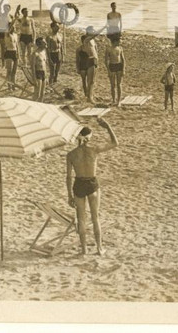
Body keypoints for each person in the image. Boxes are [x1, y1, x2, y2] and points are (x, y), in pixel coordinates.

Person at [66, 119, 118, 255]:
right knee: (95, 217)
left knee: (81, 219)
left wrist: (69, 196)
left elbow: (68, 177)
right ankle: (100, 248)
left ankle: (84, 250)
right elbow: (115, 143)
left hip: (78, 185)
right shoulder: (94, 150)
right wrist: (107, 126)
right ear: (89, 138)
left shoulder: (71, 154)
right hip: (92, 183)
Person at [78, 27, 104, 103]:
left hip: (94, 60)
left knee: (92, 80)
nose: (94, 32)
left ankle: (90, 95)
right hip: (90, 59)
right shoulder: (86, 40)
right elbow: (95, 35)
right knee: (90, 80)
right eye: (92, 31)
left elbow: (96, 51)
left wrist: (98, 61)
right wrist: (104, 27)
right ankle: (89, 97)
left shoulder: (92, 41)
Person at [106, 36, 125, 106]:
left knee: (119, 84)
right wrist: (108, 70)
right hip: (112, 66)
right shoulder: (108, 49)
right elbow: (106, 60)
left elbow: (123, 59)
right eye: (119, 41)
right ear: (115, 41)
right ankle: (114, 100)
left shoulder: (120, 48)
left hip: (119, 66)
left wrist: (123, 69)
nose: (120, 42)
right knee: (112, 85)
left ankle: (118, 101)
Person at [3, 24, 20, 91]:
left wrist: (18, 53)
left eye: (14, 27)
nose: (13, 28)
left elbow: (17, 45)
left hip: (15, 52)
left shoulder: (15, 35)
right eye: (12, 27)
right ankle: (9, 86)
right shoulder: (7, 34)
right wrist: (14, 19)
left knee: (14, 72)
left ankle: (13, 85)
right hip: (9, 52)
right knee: (9, 71)